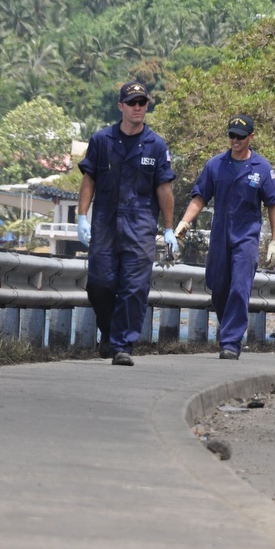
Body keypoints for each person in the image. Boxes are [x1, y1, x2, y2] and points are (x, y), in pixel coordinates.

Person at [76, 81, 178, 366]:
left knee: (134, 288)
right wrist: (81, 216)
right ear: (121, 106)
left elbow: (164, 189)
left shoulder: (156, 145)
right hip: (105, 222)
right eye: (132, 103)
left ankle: (123, 346)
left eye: (142, 103)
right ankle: (108, 331)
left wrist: (168, 229)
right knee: (100, 284)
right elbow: (89, 180)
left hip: (141, 224)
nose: (137, 108)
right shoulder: (101, 140)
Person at [174, 115, 275, 360]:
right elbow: (200, 197)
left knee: (239, 287)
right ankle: (228, 330)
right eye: (231, 136)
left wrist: (274, 240)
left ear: (251, 138)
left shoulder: (262, 168)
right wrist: (185, 222)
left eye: (240, 137)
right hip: (220, 234)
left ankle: (231, 341)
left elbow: (274, 204)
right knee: (219, 287)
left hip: (247, 236)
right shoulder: (215, 165)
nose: (235, 140)